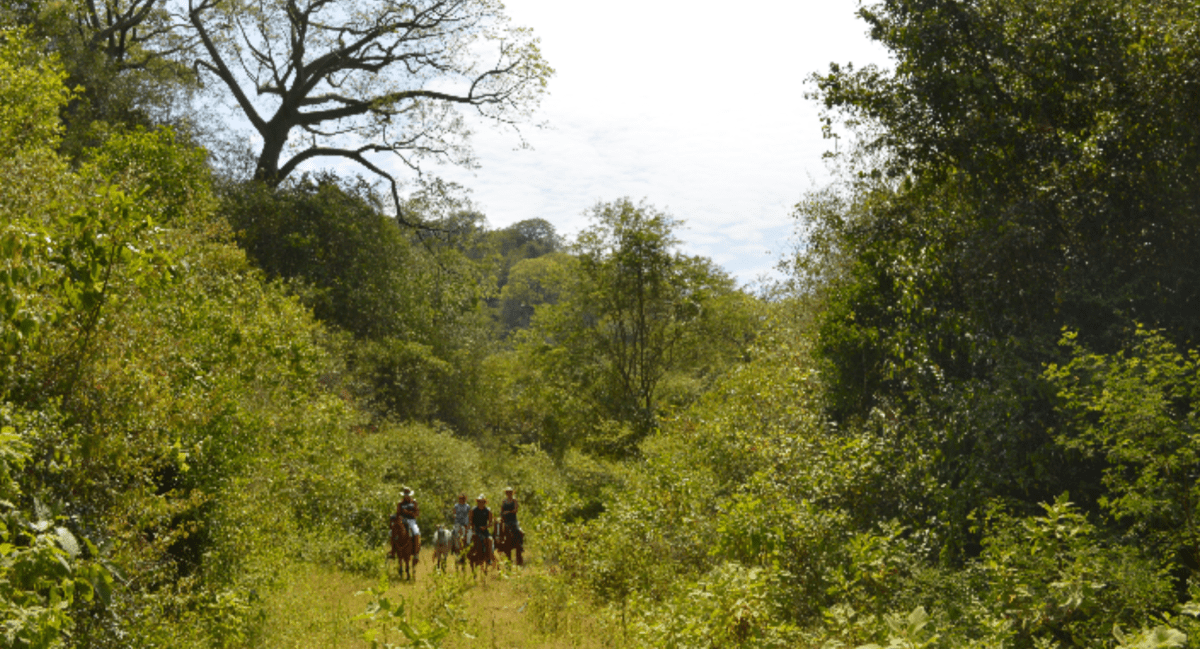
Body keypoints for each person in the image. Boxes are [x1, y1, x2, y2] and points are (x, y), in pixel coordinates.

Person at [471, 494, 494, 558]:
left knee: (490, 540)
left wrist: (485, 527)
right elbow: (470, 521)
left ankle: (489, 557)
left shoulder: (488, 511)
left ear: (484, 502)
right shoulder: (473, 510)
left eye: (482, 502)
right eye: (479, 501)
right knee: (466, 539)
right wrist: (473, 528)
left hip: (484, 530)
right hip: (475, 529)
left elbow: (490, 523)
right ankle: (463, 556)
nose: (480, 503)